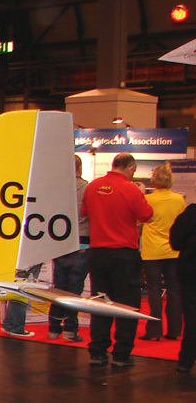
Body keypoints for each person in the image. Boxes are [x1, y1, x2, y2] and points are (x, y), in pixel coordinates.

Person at [81, 152, 153, 367]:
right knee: (126, 306)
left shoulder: (92, 187)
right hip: (124, 254)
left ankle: (97, 351)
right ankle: (121, 354)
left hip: (98, 252)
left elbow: (85, 212)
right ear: (130, 168)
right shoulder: (131, 190)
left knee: (100, 302)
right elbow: (146, 215)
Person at [139, 164, 185, 341]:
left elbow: (139, 220)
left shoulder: (148, 200)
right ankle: (174, 330)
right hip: (173, 251)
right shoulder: (179, 200)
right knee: (174, 290)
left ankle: (154, 331)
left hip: (152, 252)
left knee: (154, 291)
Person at [48, 154, 90, 343]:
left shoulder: (56, 188)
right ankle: (71, 331)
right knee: (74, 292)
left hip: (59, 244)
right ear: (79, 169)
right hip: (81, 244)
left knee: (59, 290)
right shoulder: (87, 188)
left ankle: (53, 329)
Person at [169, 201, 196, 375]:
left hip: (190, 270)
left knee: (192, 315)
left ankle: (186, 360)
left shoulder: (189, 215)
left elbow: (176, 243)